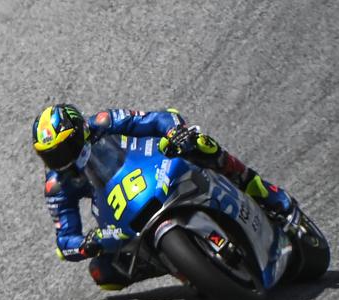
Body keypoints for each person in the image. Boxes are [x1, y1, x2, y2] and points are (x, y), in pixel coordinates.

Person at [32, 104, 300, 290]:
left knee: (200, 145)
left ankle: (262, 191)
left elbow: (160, 118)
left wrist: (175, 133)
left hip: (151, 166)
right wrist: (86, 244)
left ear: (80, 132)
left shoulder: (104, 122)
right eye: (51, 155)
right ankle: (175, 262)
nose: (61, 160)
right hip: (119, 212)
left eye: (64, 148)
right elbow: (64, 241)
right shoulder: (57, 185)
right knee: (103, 274)